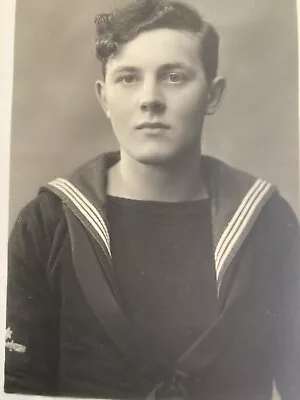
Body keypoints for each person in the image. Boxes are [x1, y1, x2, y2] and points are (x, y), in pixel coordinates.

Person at [5, 0, 300, 399]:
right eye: (127, 78)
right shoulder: (48, 223)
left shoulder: (267, 222)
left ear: (212, 95)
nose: (150, 99)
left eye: (174, 77)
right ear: (104, 96)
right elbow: (16, 387)